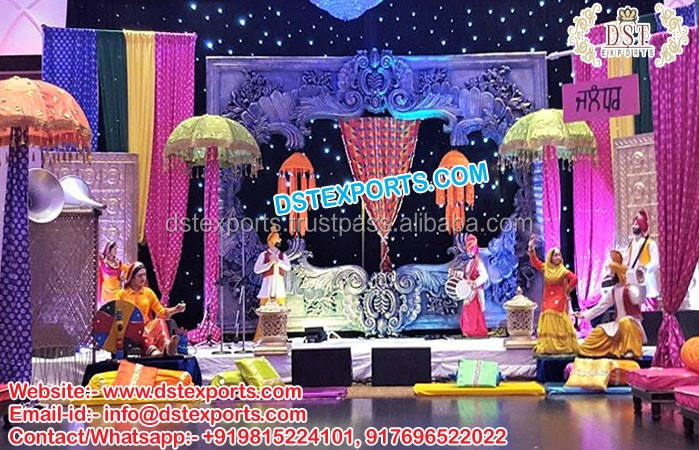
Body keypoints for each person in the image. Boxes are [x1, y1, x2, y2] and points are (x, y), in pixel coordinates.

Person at [576, 250, 646, 359]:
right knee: (599, 330)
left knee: (624, 322)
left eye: (612, 272)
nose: (609, 275)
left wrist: (641, 284)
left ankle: (630, 350)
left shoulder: (629, 289)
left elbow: (640, 299)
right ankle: (591, 350)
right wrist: (584, 315)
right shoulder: (613, 291)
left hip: (631, 325)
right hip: (617, 324)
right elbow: (601, 306)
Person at [114, 262, 186, 356]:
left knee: (159, 321)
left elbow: (161, 312)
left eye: (144, 274)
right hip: (129, 329)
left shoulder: (148, 293)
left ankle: (167, 347)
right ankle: (152, 351)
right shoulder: (121, 294)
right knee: (138, 328)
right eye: (140, 275)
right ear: (132, 277)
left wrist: (176, 309)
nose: (143, 278)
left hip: (147, 327)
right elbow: (116, 315)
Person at [528, 235, 579, 355]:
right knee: (547, 316)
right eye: (555, 255)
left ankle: (560, 345)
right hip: (547, 298)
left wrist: (567, 290)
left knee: (557, 318)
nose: (558, 257)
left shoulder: (563, 271)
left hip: (559, 299)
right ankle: (548, 345)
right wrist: (531, 248)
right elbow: (535, 262)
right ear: (550, 257)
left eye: (559, 255)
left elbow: (574, 279)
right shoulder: (546, 268)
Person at [253, 227, 291, 342]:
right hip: (267, 286)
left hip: (279, 287)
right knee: (264, 315)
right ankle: (261, 338)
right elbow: (257, 269)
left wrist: (278, 261)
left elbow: (288, 267)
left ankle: (280, 336)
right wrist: (269, 263)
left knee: (280, 314)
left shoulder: (282, 255)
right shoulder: (264, 255)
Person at [624, 209, 659, 311]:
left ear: (642, 226)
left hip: (646, 282)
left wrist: (645, 268)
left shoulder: (650, 243)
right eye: (633, 224)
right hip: (633, 283)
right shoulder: (631, 244)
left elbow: (655, 262)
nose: (634, 227)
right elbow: (628, 262)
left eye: (636, 224)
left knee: (648, 313)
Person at [454, 234, 488, 337]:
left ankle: (475, 331)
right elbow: (465, 275)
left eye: (471, 250)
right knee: (467, 311)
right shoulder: (468, 263)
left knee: (474, 311)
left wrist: (475, 283)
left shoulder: (478, 263)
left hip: (475, 291)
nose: (469, 252)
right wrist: (456, 274)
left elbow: (484, 276)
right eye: (468, 250)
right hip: (468, 291)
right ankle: (467, 330)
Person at [97, 241, 128, 310]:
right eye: (114, 249)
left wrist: (123, 278)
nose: (116, 251)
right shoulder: (103, 262)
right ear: (109, 250)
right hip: (106, 291)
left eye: (116, 249)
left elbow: (127, 269)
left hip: (116, 290)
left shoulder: (118, 263)